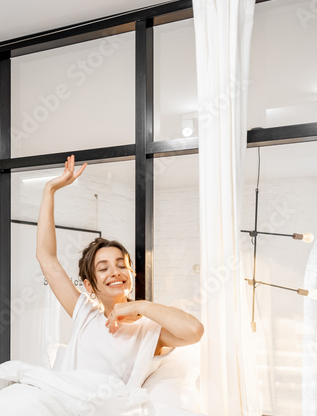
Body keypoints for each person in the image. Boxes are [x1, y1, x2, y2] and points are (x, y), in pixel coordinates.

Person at [36, 155, 204, 387]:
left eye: (121, 265)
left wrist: (139, 306)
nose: (115, 272)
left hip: (105, 413)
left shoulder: (147, 329)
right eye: (103, 268)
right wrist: (49, 190)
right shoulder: (84, 314)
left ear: (132, 274)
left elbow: (194, 331)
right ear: (89, 285)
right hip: (66, 403)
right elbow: (47, 258)